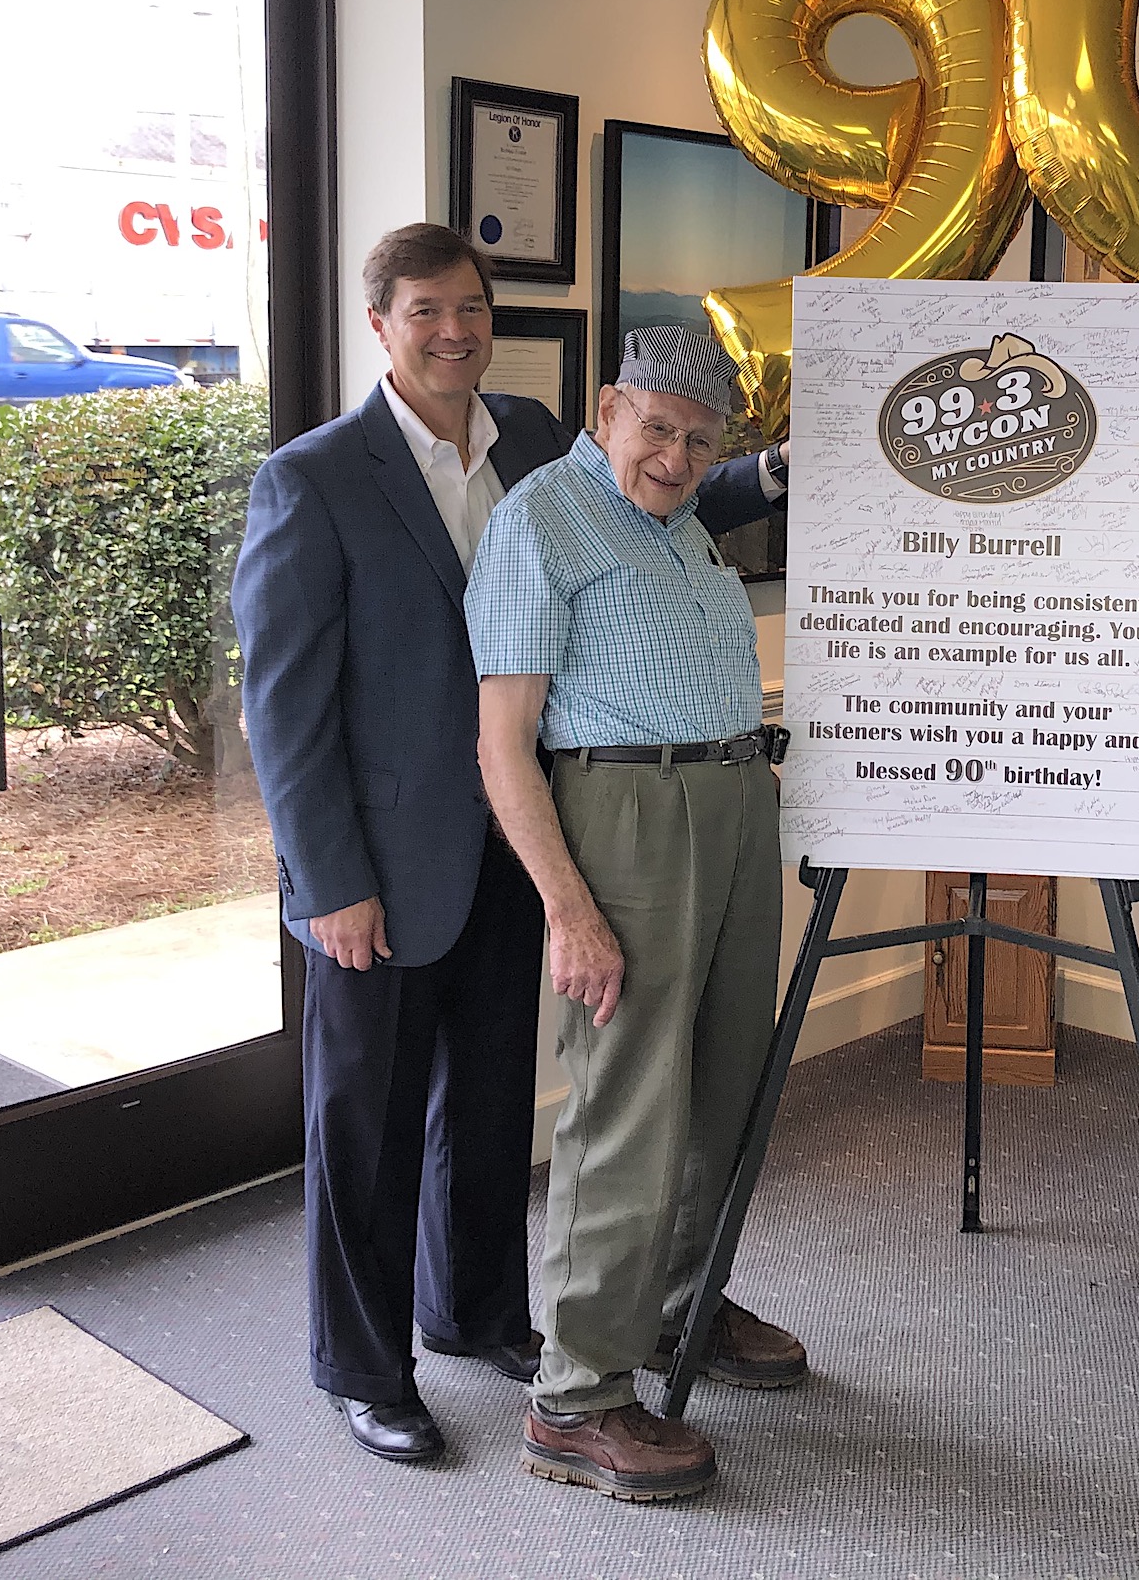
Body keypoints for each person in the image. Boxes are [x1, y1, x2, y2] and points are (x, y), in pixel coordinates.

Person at [232, 224, 786, 1465]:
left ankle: (473, 1310)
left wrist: (774, 472)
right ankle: (363, 1365)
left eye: (470, 306)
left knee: (488, 1107)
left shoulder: (536, 437)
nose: (453, 330)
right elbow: (284, 705)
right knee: (365, 1121)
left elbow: (649, 489)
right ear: (380, 324)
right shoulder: (316, 477)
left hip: (524, 843)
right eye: (424, 309)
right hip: (385, 854)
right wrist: (327, 879)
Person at [467, 324, 804, 1504]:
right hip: (622, 816)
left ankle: (676, 1311)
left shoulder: (682, 526)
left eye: (698, 439)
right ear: (607, 408)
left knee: (723, 1085)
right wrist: (569, 908)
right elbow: (502, 743)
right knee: (625, 1104)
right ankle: (576, 1397)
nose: (674, 455)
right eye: (656, 427)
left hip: (727, 804)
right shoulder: (541, 521)